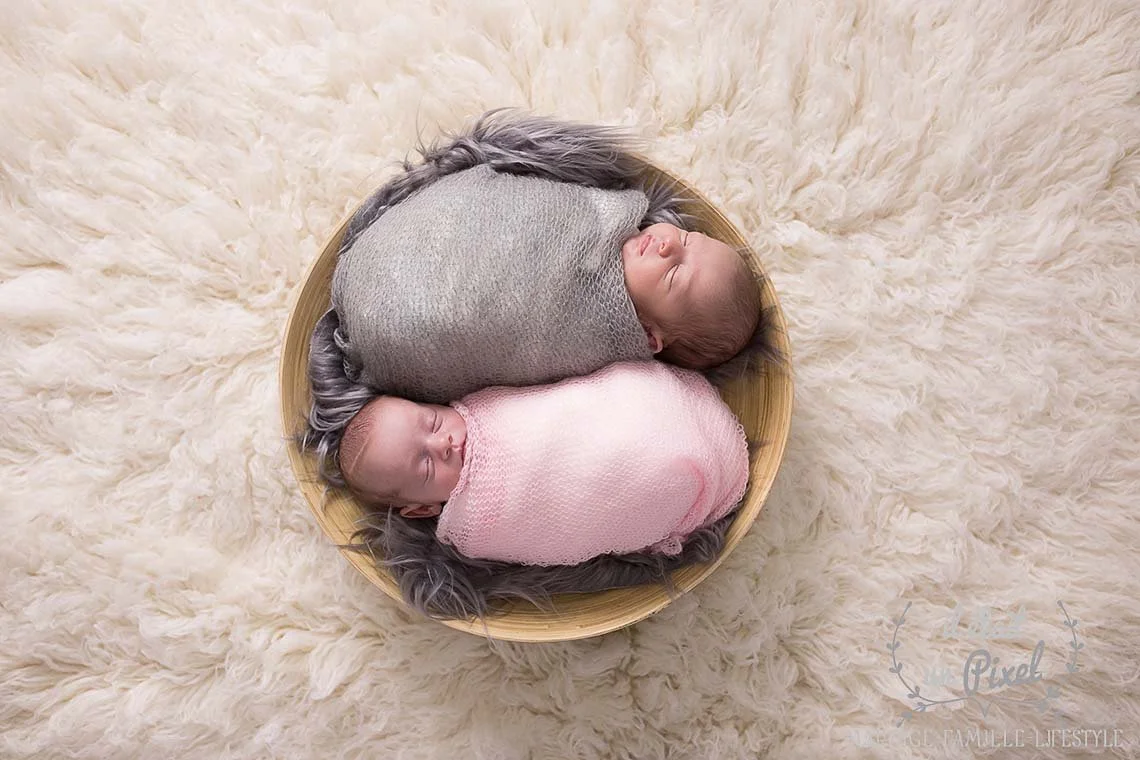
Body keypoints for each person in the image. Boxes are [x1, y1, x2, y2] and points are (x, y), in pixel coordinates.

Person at [335, 361, 750, 567]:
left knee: (625, 400)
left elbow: (559, 403)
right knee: (647, 470)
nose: (442, 444)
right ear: (422, 509)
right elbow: (558, 528)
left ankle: (665, 418)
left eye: (432, 422)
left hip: (617, 412)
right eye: (425, 466)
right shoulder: (475, 529)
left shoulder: (484, 406)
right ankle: (676, 474)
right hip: (618, 480)